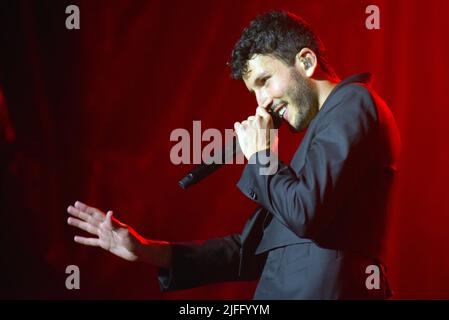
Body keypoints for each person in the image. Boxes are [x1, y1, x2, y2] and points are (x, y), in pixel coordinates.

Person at [67, 10, 401, 299]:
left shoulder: (353, 103)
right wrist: (147, 250)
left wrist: (261, 157)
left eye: (265, 80)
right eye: (253, 91)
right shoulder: (314, 141)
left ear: (306, 61)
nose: (261, 102)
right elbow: (249, 249)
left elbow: (304, 211)